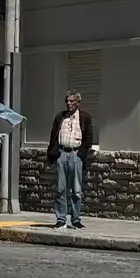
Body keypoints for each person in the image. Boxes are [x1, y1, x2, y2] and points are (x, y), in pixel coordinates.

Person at [46, 90, 94, 230]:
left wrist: (81, 154)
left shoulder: (84, 117)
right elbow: (53, 136)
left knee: (76, 190)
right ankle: (61, 219)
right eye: (67, 101)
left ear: (78, 102)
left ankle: (76, 219)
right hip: (62, 153)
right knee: (61, 189)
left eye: (72, 101)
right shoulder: (60, 117)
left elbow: (89, 138)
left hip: (75, 154)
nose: (69, 104)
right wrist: (52, 154)